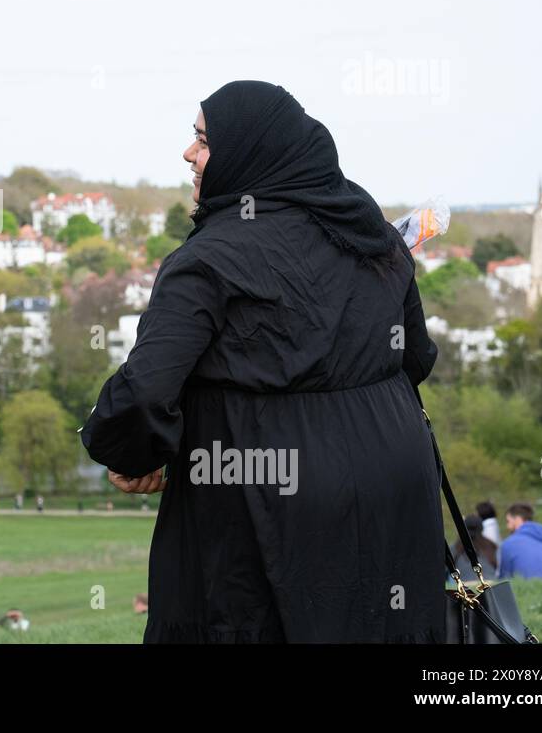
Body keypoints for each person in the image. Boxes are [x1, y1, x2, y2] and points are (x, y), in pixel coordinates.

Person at [80, 81, 445, 643]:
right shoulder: (373, 237)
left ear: (248, 153)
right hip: (393, 472)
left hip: (263, 488)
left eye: (201, 140)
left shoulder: (207, 260)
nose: (188, 153)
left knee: (249, 622)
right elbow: (415, 356)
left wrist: (130, 452)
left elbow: (147, 391)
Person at [498, 503, 542, 579]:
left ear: (517, 519)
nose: (507, 526)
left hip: (520, 589)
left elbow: (504, 578)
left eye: (508, 521)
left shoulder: (508, 544)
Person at [451, 513, 499, 581]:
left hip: (466, 586)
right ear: (481, 528)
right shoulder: (491, 546)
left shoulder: (456, 548)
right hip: (491, 584)